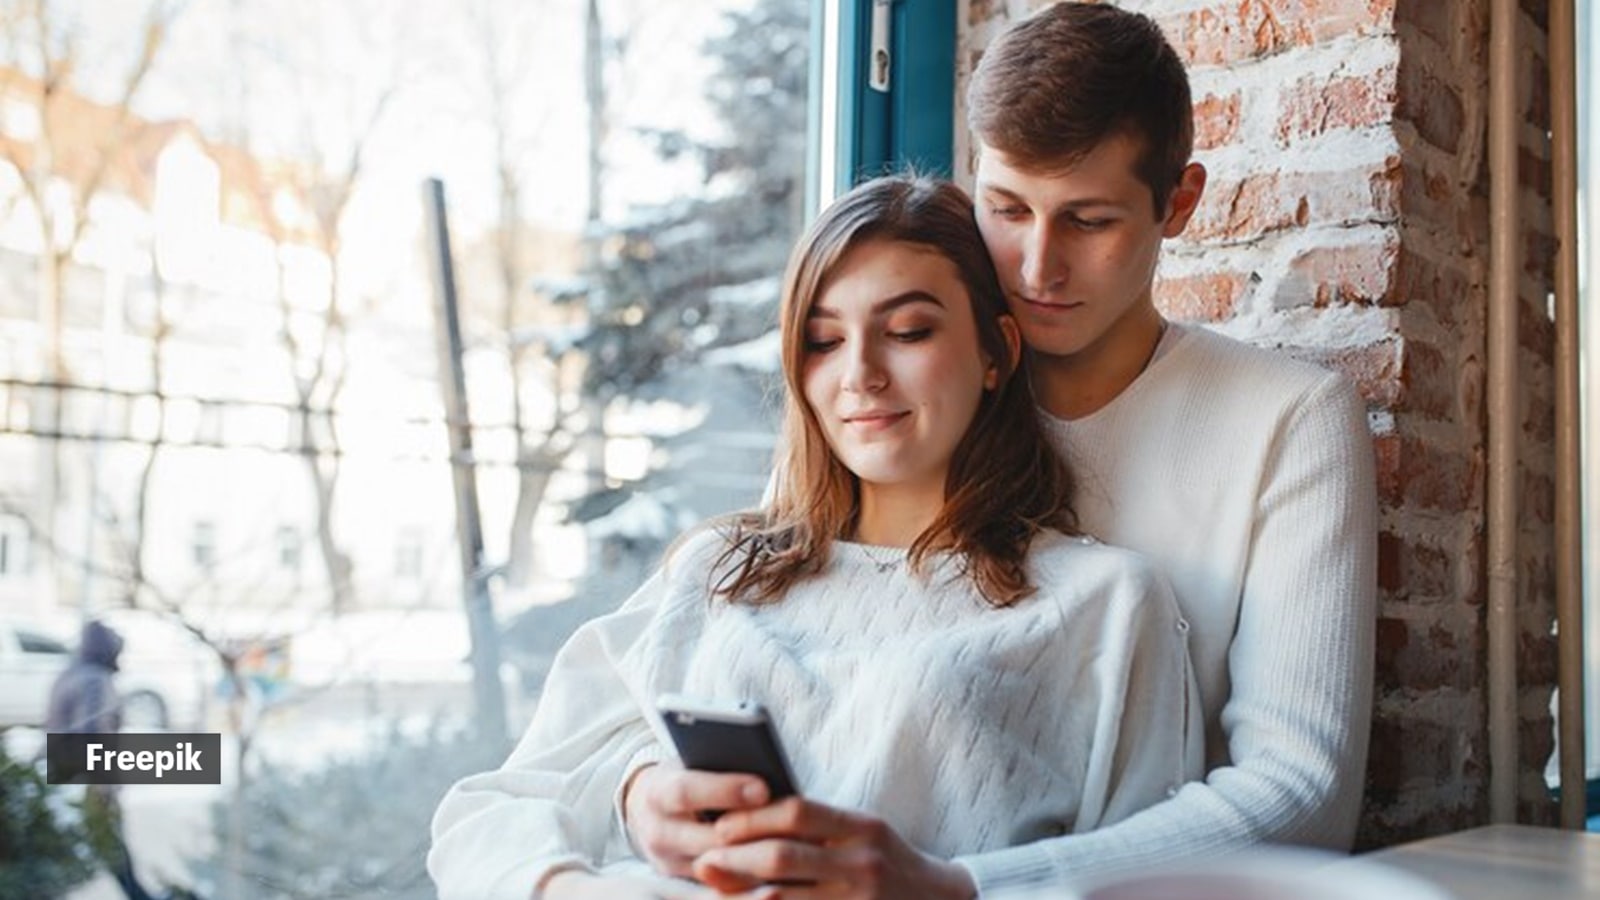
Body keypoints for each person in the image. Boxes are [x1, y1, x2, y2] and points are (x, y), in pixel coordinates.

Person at [620, 3, 1378, 897]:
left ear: (1179, 203)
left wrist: (963, 886)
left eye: (1088, 221)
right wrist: (642, 792)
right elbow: (625, 701)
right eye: (1007, 208)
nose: (1035, 268)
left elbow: (1305, 794)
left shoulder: (1289, 420)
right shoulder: (906, 393)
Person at [428, 174, 1203, 900]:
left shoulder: (1102, 603)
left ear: (996, 351)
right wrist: (624, 817)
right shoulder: (718, 570)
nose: (859, 373)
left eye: (907, 330)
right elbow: (487, 812)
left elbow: (1163, 878)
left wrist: (949, 886)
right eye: (825, 341)